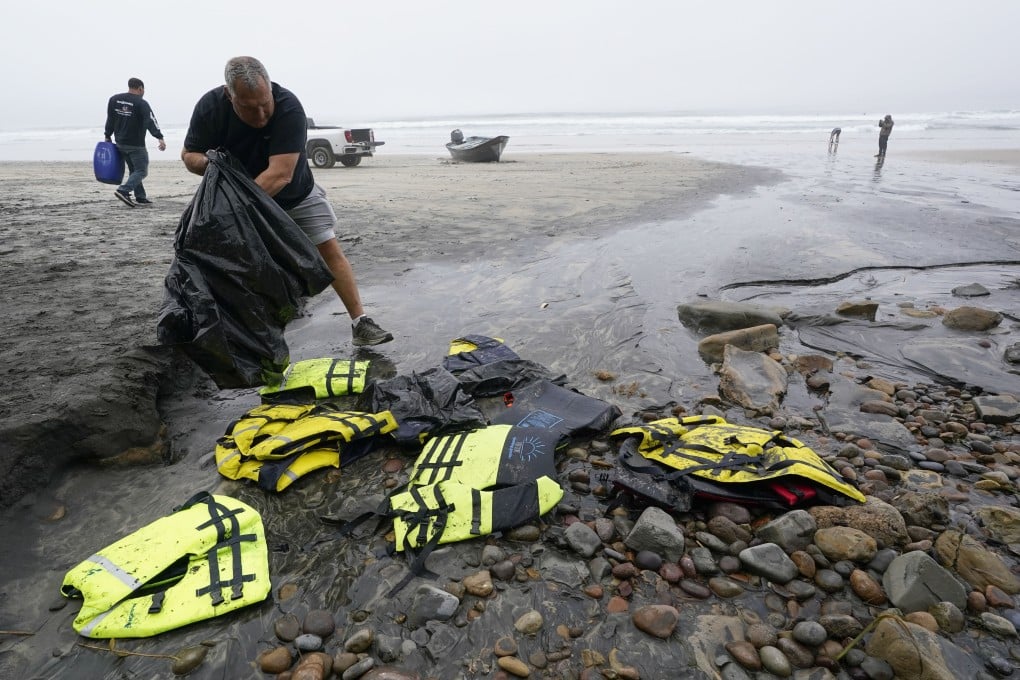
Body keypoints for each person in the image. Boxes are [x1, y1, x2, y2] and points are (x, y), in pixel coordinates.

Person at [181, 56, 392, 347]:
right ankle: (250, 338)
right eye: (249, 107)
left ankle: (361, 322)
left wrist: (238, 215)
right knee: (244, 268)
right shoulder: (210, 108)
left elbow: (279, 174)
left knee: (329, 250)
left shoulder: (289, 107)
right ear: (229, 96)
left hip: (294, 195)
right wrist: (211, 164)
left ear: (270, 88)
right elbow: (189, 156)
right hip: (238, 201)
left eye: (265, 103)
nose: (261, 115)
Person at [105, 78, 166, 207]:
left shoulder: (114, 99)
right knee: (142, 171)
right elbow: (150, 120)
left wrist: (107, 135)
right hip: (136, 144)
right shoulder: (141, 103)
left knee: (134, 170)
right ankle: (124, 190)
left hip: (120, 142)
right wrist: (159, 137)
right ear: (140, 88)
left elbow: (110, 118)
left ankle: (140, 197)